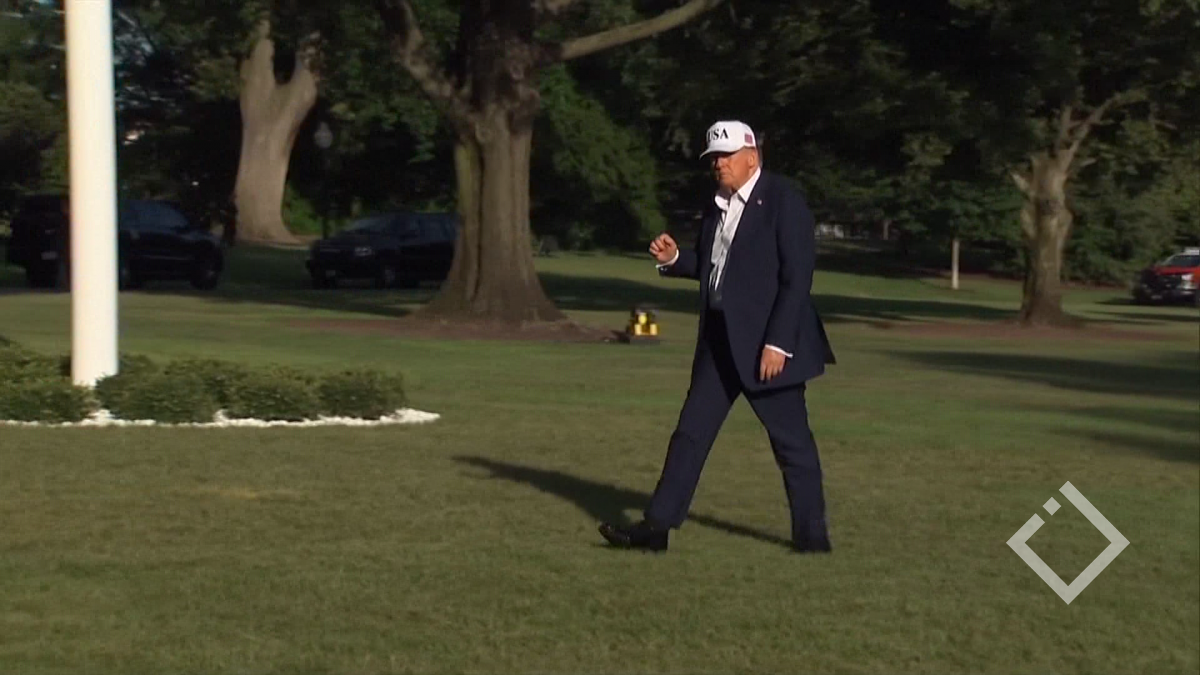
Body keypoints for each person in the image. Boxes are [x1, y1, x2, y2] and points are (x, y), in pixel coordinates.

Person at [598, 120, 836, 554]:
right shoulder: (717, 205)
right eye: (713, 158)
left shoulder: (784, 201)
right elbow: (716, 269)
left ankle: (812, 540)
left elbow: (797, 278)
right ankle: (656, 528)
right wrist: (675, 259)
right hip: (720, 344)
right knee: (689, 435)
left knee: (791, 445)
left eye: (726, 156)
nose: (719, 164)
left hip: (768, 348)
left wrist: (778, 343)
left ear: (752, 157)